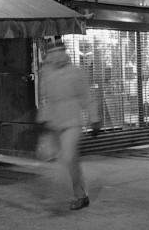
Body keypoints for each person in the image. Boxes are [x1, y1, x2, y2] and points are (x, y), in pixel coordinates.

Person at [37, 36, 101, 211]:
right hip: (54, 122)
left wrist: (94, 119)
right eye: (52, 52)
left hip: (72, 121)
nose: (55, 55)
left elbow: (86, 97)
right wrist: (43, 119)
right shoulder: (46, 74)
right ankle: (74, 193)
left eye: (58, 51)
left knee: (68, 157)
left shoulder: (75, 72)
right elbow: (46, 99)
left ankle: (80, 196)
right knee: (58, 159)